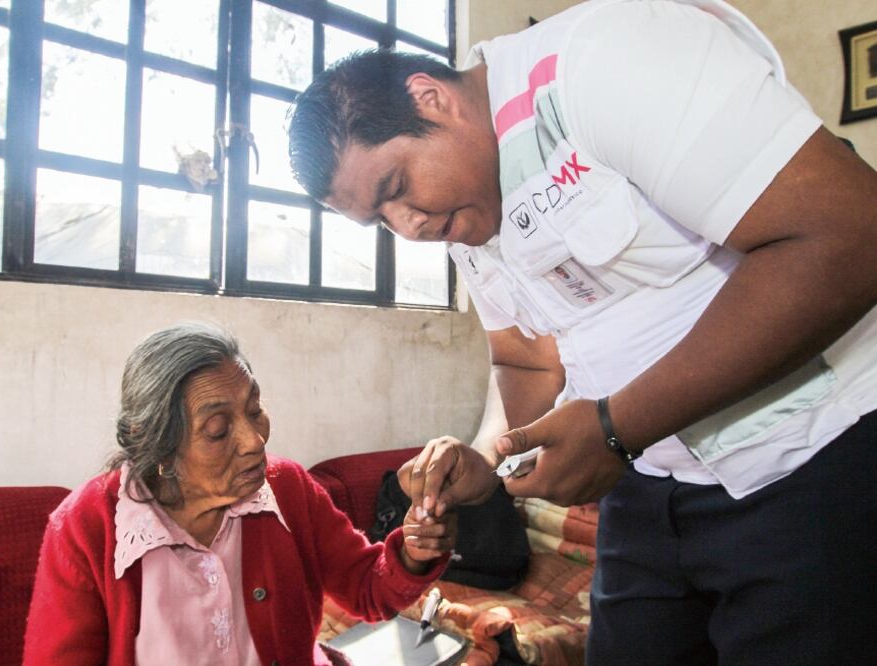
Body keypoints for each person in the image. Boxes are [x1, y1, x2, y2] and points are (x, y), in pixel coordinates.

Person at [286, 0, 877, 663]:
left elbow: (847, 235)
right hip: (644, 484)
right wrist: (487, 453)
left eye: (395, 186)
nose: (409, 226)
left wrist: (615, 424)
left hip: (807, 464)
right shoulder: (462, 211)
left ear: (431, 100)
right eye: (381, 219)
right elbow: (527, 361)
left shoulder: (601, 63)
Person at [23, 322, 455, 665]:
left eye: (254, 410)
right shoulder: (86, 526)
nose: (254, 440)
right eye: (218, 429)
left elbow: (367, 589)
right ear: (155, 444)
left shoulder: (286, 488)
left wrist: (413, 553)